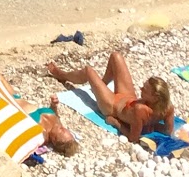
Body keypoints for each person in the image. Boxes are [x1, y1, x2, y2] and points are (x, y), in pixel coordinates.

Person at [46, 51, 174, 143]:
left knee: (88, 71)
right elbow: (167, 131)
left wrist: (116, 123)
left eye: (144, 90)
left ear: (155, 97)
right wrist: (152, 126)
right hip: (128, 97)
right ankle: (101, 85)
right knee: (115, 56)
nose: (140, 89)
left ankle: (61, 75)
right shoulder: (167, 108)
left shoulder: (141, 110)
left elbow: (133, 138)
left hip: (111, 105)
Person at [0, 61, 81, 158]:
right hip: (15, 96)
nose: (62, 127)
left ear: (54, 140)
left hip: (6, 101)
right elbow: (55, 115)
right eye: (66, 130)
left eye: (61, 130)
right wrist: (53, 105)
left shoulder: (42, 134)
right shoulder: (57, 124)